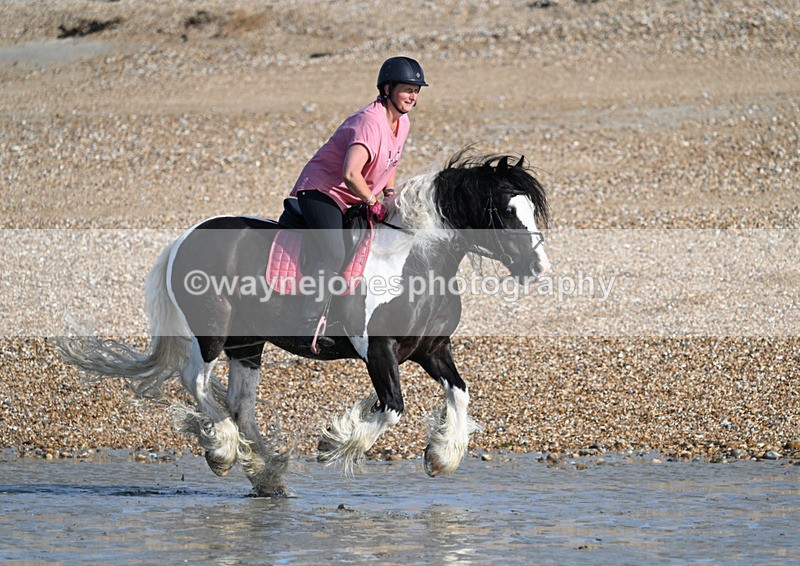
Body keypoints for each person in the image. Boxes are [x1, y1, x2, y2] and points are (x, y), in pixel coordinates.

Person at [290, 56, 428, 352]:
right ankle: (306, 324)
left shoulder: (401, 122)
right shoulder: (369, 121)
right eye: (407, 89)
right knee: (334, 250)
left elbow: (391, 163)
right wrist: (371, 200)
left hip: (356, 194)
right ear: (387, 89)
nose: (413, 97)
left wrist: (389, 196)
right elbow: (350, 173)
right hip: (324, 191)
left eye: (417, 90)